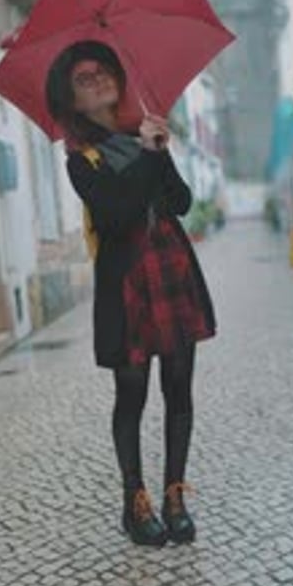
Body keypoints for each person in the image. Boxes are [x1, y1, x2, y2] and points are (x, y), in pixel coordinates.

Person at [46, 40, 216, 547]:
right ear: (71, 101)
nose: (97, 80)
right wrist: (145, 155)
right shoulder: (82, 160)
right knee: (133, 392)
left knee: (179, 386)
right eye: (83, 78)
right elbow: (118, 215)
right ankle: (134, 499)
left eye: (103, 72)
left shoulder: (142, 135)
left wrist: (161, 152)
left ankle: (175, 495)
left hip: (170, 268)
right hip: (127, 285)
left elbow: (180, 202)